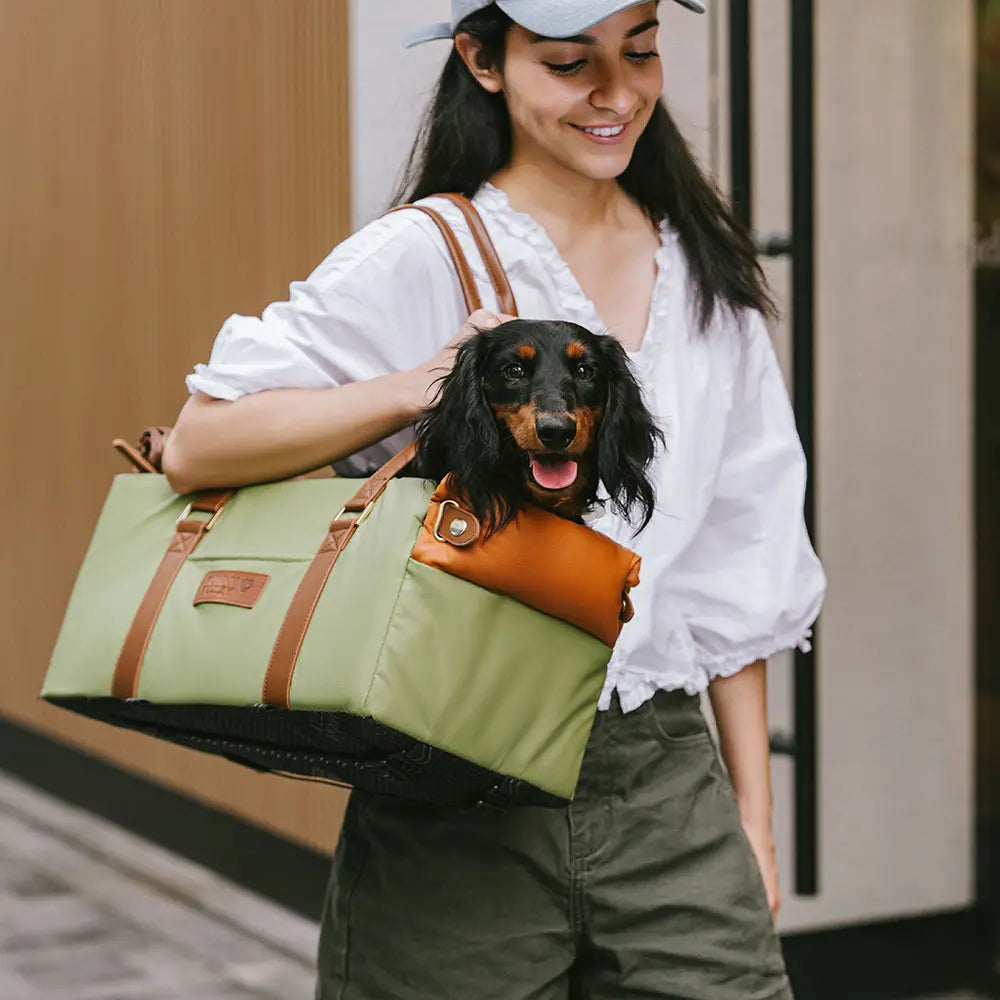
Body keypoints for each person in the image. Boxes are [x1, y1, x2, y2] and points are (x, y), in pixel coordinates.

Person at [163, 1, 827, 996]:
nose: (615, 91)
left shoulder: (701, 272)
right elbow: (198, 443)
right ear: (482, 60)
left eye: (639, 51)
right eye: (569, 62)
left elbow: (744, 558)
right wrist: (418, 388)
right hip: (457, 771)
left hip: (660, 778)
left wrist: (752, 822)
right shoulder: (424, 251)